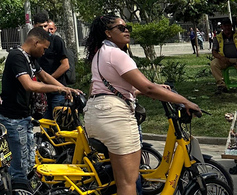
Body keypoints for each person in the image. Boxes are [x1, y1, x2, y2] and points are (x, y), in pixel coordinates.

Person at [84, 15, 202, 195]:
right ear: (108, 33)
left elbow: (108, 88)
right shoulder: (117, 54)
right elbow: (147, 87)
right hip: (116, 118)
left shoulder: (99, 54)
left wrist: (155, 89)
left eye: (127, 26)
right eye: (121, 28)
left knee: (118, 180)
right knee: (128, 183)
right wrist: (185, 101)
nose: (127, 31)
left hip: (95, 116)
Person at [0, 27, 76, 192]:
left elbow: (44, 76)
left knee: (28, 164)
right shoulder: (16, 56)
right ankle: (14, 190)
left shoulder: (30, 58)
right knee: (19, 166)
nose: (44, 53)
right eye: (44, 48)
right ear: (35, 42)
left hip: (24, 118)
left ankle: (23, 189)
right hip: (13, 119)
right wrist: (58, 90)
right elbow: (30, 84)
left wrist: (68, 89)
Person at [34, 13, 71, 119]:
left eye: (45, 26)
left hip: (57, 91)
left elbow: (65, 65)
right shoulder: (33, 43)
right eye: (40, 27)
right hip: (41, 94)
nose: (43, 29)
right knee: (44, 128)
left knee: (59, 127)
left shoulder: (56, 41)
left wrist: (48, 80)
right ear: (34, 26)